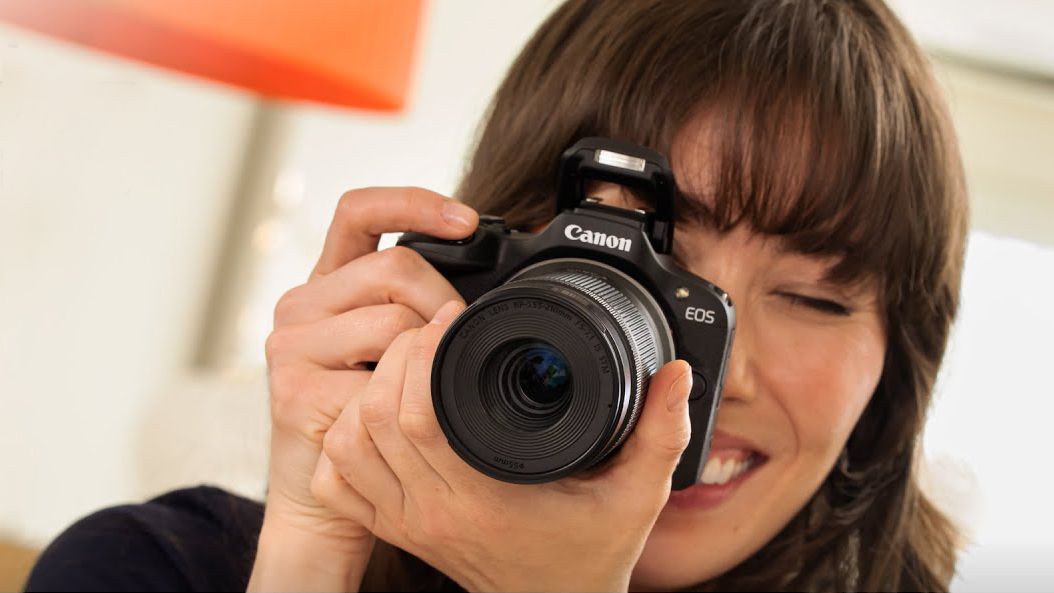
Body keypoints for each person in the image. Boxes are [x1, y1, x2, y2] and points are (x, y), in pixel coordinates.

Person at [25, 0, 968, 590]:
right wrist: (314, 545)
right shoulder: (156, 568)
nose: (713, 373)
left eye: (814, 296)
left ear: (891, 385)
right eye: (653, 262)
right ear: (492, 257)